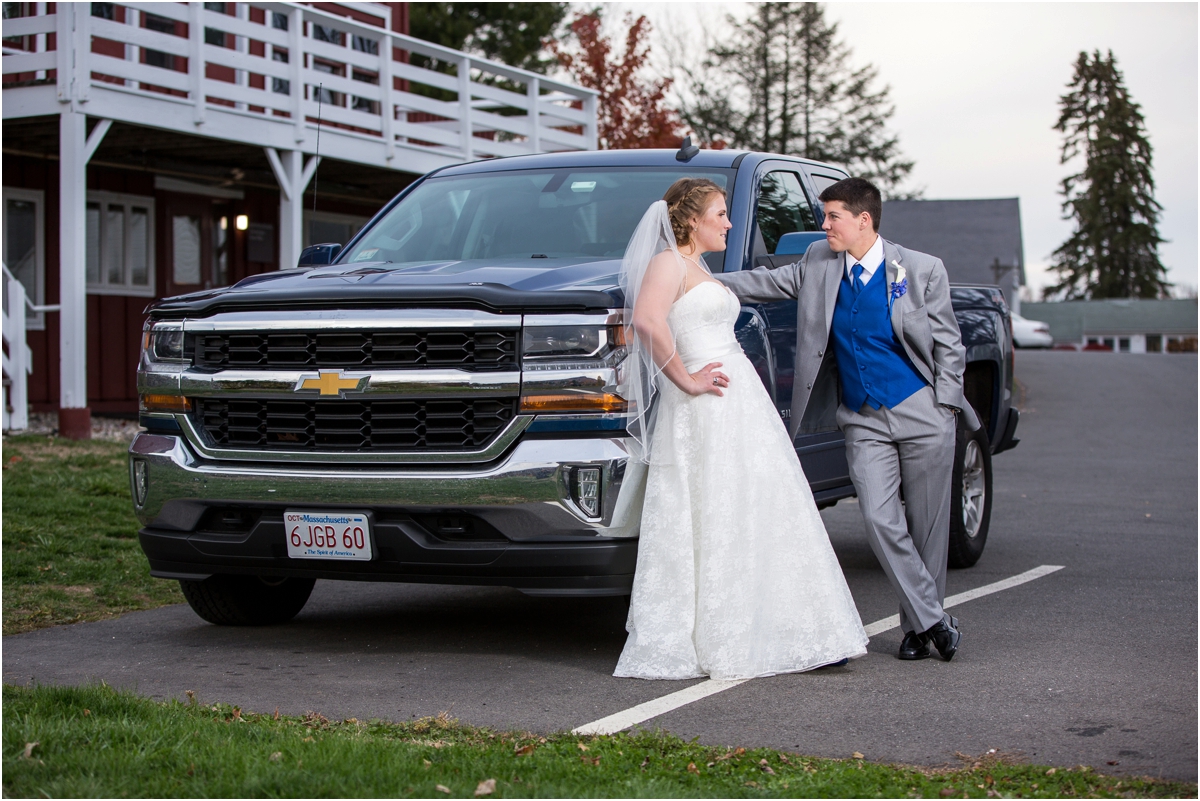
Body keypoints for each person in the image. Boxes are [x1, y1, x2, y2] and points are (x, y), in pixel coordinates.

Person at [614, 178, 868, 681]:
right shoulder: (668, 263)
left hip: (737, 404)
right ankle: (726, 635)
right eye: (720, 214)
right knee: (716, 509)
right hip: (704, 406)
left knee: (756, 507)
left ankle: (792, 630)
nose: (728, 223)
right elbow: (646, 320)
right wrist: (685, 379)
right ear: (690, 220)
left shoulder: (697, 267)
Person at [718, 176, 972, 662]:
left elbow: (950, 345)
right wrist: (696, 278)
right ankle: (935, 619)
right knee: (879, 517)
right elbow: (765, 283)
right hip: (862, 417)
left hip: (923, 411)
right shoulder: (818, 262)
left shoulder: (921, 270)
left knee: (928, 528)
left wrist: (946, 406)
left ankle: (918, 630)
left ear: (863, 220)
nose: (823, 223)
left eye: (832, 215)